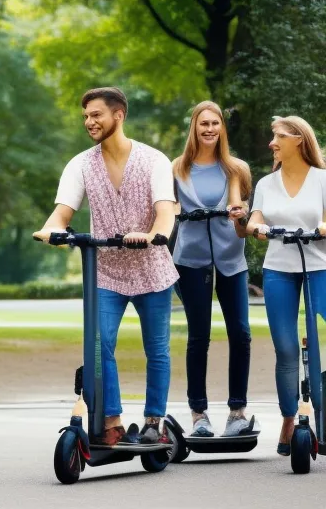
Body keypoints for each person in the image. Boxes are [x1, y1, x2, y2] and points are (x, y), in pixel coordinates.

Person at [33, 87, 178, 446]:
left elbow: (165, 214)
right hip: (107, 271)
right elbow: (61, 214)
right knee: (99, 345)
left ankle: (153, 421)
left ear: (119, 115)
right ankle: (111, 420)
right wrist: (51, 231)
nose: (89, 122)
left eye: (96, 114)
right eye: (85, 116)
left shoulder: (154, 160)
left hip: (152, 270)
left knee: (156, 348)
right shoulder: (81, 164)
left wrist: (153, 235)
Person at [172, 101, 253, 437]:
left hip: (231, 259)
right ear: (194, 127)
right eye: (203, 123)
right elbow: (167, 209)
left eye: (215, 123)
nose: (209, 129)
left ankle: (237, 411)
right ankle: (199, 414)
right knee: (198, 337)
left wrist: (242, 215)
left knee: (241, 334)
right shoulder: (177, 169)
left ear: (222, 128)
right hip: (191, 260)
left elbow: (244, 221)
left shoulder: (237, 169)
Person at [247, 115, 326, 455]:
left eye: (278, 136)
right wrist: (258, 228)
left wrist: (323, 225)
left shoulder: (322, 179)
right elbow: (255, 218)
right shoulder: (267, 183)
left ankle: (322, 408)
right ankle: (289, 418)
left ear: (298, 139)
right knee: (286, 348)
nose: (271, 143)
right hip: (279, 269)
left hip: (320, 267)